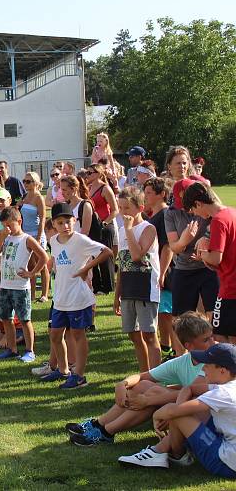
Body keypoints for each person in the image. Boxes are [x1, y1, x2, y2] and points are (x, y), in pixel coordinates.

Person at [66, 312, 214, 446]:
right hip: (189, 407)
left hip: (208, 415)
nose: (213, 342)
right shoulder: (185, 361)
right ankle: (99, 425)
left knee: (153, 393)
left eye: (211, 337)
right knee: (143, 385)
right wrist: (121, 385)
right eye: (207, 339)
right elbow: (143, 376)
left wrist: (148, 400)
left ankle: (106, 432)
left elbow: (193, 392)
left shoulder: (215, 359)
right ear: (189, 345)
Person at [117, 343, 236, 476]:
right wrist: (176, 409)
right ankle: (164, 450)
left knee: (179, 415)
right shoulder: (230, 386)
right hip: (228, 447)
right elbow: (189, 389)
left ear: (223, 371)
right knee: (184, 408)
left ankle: (176, 455)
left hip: (226, 464)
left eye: (208, 365)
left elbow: (173, 412)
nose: (203, 368)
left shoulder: (222, 393)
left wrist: (157, 415)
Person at [41, 203, 112, 389]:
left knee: (78, 335)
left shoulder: (81, 240)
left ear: (75, 221)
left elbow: (107, 252)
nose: (65, 225)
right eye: (60, 222)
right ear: (54, 225)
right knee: (55, 335)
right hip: (60, 298)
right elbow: (57, 262)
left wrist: (86, 268)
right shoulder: (54, 241)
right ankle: (63, 370)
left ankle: (79, 375)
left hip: (78, 298)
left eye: (68, 221)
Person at [0, 206, 49, 362]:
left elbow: (44, 256)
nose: (7, 228)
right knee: (6, 319)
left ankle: (30, 351)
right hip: (5, 285)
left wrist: (32, 273)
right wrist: (2, 237)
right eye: (4, 225)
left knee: (24, 319)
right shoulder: (7, 238)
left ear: (19, 221)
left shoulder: (27, 239)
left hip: (20, 287)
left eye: (9, 225)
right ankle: (12, 349)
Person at [115, 187, 161, 372]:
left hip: (145, 289)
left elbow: (136, 256)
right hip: (128, 289)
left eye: (127, 208)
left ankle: (156, 376)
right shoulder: (121, 229)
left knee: (149, 335)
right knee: (133, 335)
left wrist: (128, 230)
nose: (123, 212)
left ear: (140, 208)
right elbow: (122, 264)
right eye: (120, 207)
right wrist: (117, 294)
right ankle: (145, 374)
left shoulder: (148, 228)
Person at [186, 182, 236, 343]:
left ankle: (228, 369)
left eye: (194, 210)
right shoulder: (231, 212)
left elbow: (215, 258)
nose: (196, 214)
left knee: (219, 336)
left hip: (230, 288)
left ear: (199, 203)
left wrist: (202, 253)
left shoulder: (218, 221)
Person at [165, 177, 218, 329]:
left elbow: (220, 219)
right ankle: (183, 352)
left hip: (208, 267)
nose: (186, 209)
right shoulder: (171, 213)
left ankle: (211, 348)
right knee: (180, 318)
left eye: (189, 205)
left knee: (214, 314)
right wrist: (185, 240)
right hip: (184, 269)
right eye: (182, 204)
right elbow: (174, 247)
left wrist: (206, 239)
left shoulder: (205, 208)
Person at [144, 178, 180, 358]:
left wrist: (163, 272)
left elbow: (167, 247)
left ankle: (176, 349)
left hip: (167, 269)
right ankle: (167, 345)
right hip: (156, 269)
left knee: (169, 313)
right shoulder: (153, 215)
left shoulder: (165, 214)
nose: (145, 196)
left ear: (162, 194)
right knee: (162, 312)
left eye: (149, 192)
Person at [86, 163, 119, 294]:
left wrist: (105, 223)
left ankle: (108, 286)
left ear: (98, 174)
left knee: (105, 257)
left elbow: (115, 210)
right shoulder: (88, 188)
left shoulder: (105, 189)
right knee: (93, 256)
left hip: (105, 226)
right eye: (87, 173)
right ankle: (96, 285)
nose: (87, 175)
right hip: (93, 226)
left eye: (90, 173)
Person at [20, 171, 49, 302]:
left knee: (42, 265)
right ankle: (32, 295)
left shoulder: (38, 197)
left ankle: (44, 294)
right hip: (26, 234)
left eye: (28, 181)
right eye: (24, 181)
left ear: (36, 183)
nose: (25, 184)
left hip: (37, 233)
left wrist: (38, 236)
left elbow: (43, 218)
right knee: (31, 266)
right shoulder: (25, 196)